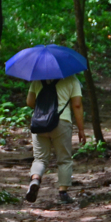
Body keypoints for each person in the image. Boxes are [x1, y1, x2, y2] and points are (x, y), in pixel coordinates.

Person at [25, 75, 86, 204]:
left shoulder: (38, 79)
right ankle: (63, 192)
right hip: (61, 122)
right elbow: (77, 105)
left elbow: (30, 102)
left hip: (39, 122)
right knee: (64, 159)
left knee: (40, 158)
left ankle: (35, 179)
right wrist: (81, 129)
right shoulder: (72, 79)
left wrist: (44, 110)